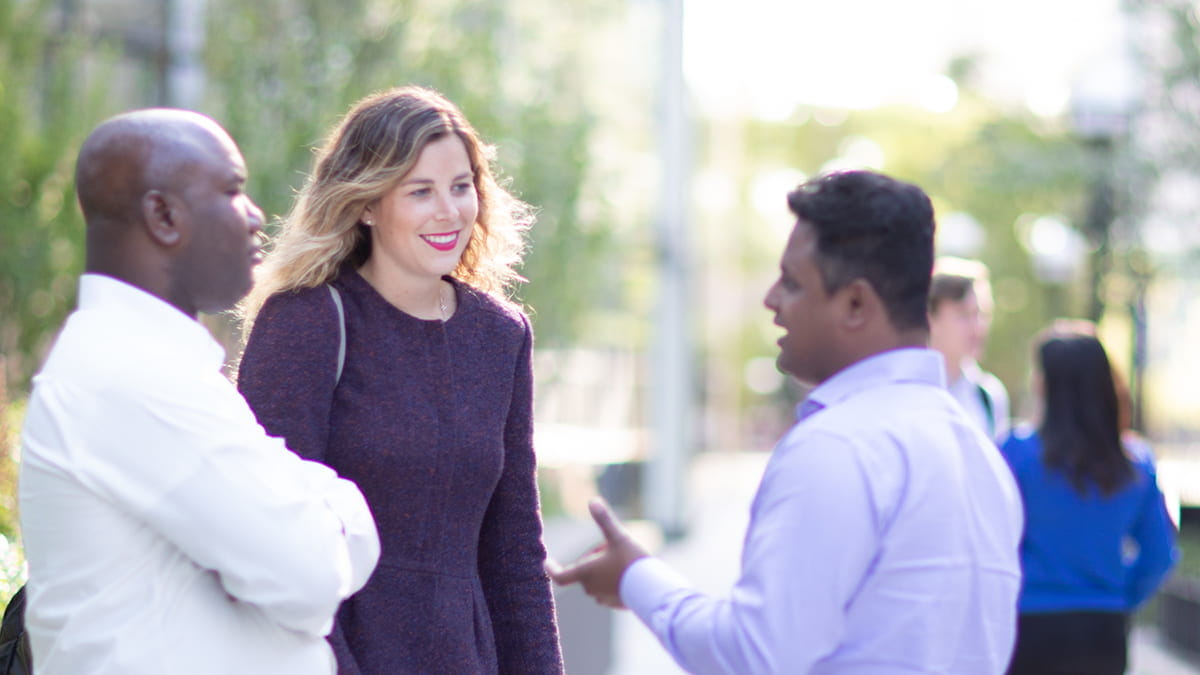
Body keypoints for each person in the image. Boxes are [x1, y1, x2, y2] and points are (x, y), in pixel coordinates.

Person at [548, 170, 1024, 673]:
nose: (772, 299)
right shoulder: (979, 453)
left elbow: (752, 658)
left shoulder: (838, 446)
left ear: (856, 303)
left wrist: (636, 578)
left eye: (793, 282)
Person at [17, 109, 380, 674]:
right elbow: (309, 577)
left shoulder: (152, 367)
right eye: (233, 190)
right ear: (163, 215)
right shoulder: (134, 378)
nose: (257, 215)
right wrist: (342, 509)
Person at [236, 86, 563, 674]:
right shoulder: (306, 325)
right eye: (420, 192)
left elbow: (513, 547)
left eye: (461, 187)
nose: (450, 212)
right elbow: (263, 537)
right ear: (366, 203)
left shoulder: (500, 336)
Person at [1001, 320, 1177, 675]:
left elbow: (993, 541)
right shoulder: (1134, 462)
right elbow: (1160, 552)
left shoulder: (1016, 453)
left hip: (1031, 625)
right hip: (1104, 629)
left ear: (1045, 383)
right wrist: (1120, 596)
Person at [928, 256, 1010, 443]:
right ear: (930, 319)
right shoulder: (909, 390)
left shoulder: (988, 396)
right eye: (964, 315)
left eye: (981, 314)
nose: (978, 327)